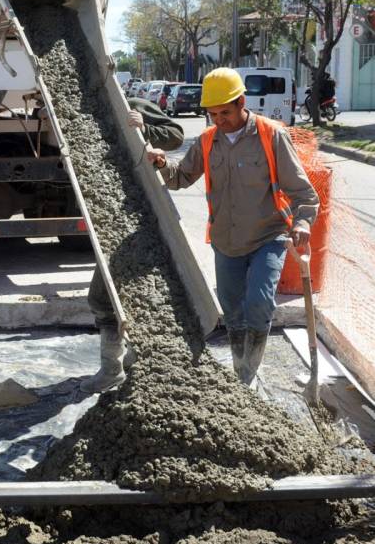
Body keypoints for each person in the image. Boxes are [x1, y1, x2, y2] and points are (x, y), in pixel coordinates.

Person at [147, 68, 319, 387]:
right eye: (212, 114)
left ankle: (247, 374)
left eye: (224, 112)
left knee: (259, 302)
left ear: (241, 102)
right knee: (232, 310)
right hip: (226, 241)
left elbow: (303, 193)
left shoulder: (271, 135)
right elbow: (181, 177)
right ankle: (241, 364)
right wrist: (160, 163)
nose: (218, 120)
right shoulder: (208, 141)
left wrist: (304, 221)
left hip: (267, 236)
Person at [80, 97, 185, 394]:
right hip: (109, 216)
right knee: (114, 296)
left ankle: (116, 368)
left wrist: (145, 127)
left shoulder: (132, 102)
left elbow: (175, 134)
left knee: (106, 296)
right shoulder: (83, 115)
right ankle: (128, 364)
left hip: (140, 217)